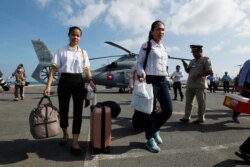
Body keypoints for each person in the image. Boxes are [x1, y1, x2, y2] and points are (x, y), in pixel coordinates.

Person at [43, 26, 96, 156]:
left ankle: (75, 142)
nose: (76, 37)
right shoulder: (61, 50)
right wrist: (48, 85)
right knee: (64, 111)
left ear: (80, 37)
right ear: (69, 35)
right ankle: (66, 134)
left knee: (78, 112)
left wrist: (90, 80)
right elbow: (53, 69)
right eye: (73, 34)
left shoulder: (83, 52)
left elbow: (87, 69)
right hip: (64, 81)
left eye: (78, 35)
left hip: (78, 82)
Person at [136, 20, 173, 153]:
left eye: (163, 29)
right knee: (149, 112)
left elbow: (164, 67)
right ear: (152, 31)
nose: (161, 32)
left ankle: (155, 129)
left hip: (163, 80)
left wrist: (168, 80)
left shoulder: (164, 48)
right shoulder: (146, 45)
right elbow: (139, 64)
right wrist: (142, 74)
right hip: (150, 79)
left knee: (168, 109)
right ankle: (149, 139)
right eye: (158, 29)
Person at [179, 45, 213, 124]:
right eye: (192, 52)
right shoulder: (192, 61)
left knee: (201, 103)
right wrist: (185, 65)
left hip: (200, 86)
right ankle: (186, 117)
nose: (193, 54)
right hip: (190, 85)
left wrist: (198, 75)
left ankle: (201, 118)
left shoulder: (206, 59)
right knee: (188, 102)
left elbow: (209, 71)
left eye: (195, 52)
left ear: (200, 51)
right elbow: (188, 71)